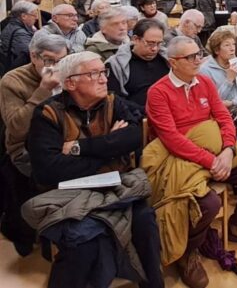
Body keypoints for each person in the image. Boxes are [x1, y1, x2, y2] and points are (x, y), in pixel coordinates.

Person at [25, 51, 163, 288]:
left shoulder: (112, 102)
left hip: (115, 185)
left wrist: (81, 147)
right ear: (70, 83)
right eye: (93, 73)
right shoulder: (48, 114)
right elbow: (49, 169)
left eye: (103, 72)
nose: (103, 78)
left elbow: (136, 134)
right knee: (85, 240)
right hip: (68, 194)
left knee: (145, 221)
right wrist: (111, 147)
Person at [145, 36, 237, 288]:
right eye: (190, 57)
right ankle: (187, 253)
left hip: (215, 149)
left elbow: (223, 116)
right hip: (181, 156)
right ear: (172, 62)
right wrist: (212, 161)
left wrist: (228, 149)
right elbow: (171, 139)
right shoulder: (158, 92)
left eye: (198, 54)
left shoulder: (203, 81)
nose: (198, 60)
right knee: (207, 204)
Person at [0, 34, 67, 256]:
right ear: (33, 56)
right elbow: (17, 127)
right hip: (24, 146)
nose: (55, 67)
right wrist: (43, 90)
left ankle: (57, 235)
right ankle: (22, 233)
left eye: (61, 60)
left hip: (60, 140)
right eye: (49, 60)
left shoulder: (68, 71)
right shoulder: (12, 80)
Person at [199, 29, 237, 143]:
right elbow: (215, 101)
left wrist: (233, 102)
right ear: (217, 50)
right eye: (227, 45)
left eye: (233, 44)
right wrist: (229, 80)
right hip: (221, 112)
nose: (232, 48)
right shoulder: (205, 70)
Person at [106, 19, 169, 112]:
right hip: (136, 117)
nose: (155, 48)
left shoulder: (168, 60)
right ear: (135, 39)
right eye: (150, 43)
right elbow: (114, 99)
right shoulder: (116, 65)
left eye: (159, 43)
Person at [0, 0, 39, 75]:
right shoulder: (20, 33)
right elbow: (29, 54)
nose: (36, 18)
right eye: (34, 15)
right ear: (24, 16)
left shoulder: (11, 25)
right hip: (15, 73)